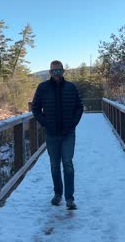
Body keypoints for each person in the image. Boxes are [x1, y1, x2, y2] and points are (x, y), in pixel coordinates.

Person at [31, 60, 83, 210]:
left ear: (63, 71)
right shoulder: (42, 88)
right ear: (49, 72)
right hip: (51, 134)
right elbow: (35, 108)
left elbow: (79, 107)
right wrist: (45, 122)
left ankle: (69, 198)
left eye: (59, 71)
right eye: (53, 71)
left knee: (67, 164)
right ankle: (58, 194)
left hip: (68, 133)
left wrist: (72, 124)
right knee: (54, 166)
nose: (56, 73)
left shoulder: (71, 87)